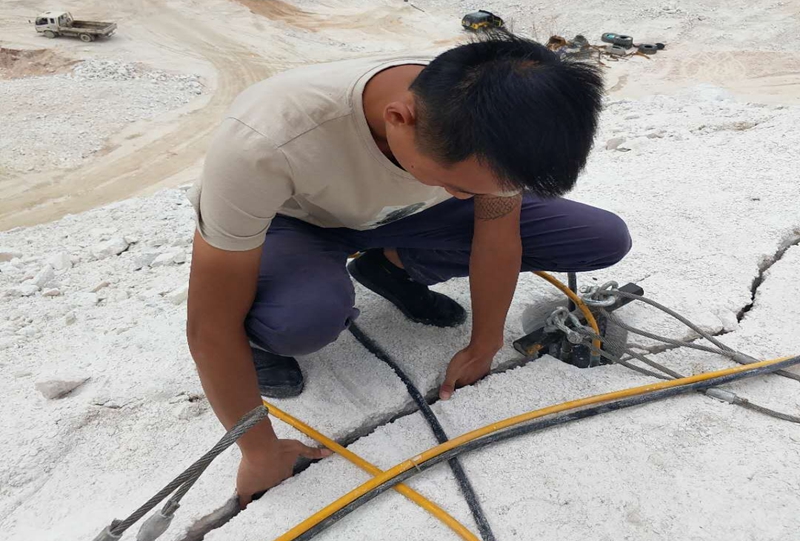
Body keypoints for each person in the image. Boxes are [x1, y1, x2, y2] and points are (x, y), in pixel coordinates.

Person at [186, 31, 631, 504]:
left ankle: (391, 267)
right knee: (300, 321)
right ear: (398, 119)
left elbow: (497, 234)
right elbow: (209, 325)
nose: (469, 197)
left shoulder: (492, 121)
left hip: (401, 213)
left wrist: (485, 343)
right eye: (457, 185)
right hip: (297, 222)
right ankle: (261, 338)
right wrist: (258, 452)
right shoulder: (265, 141)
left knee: (600, 238)